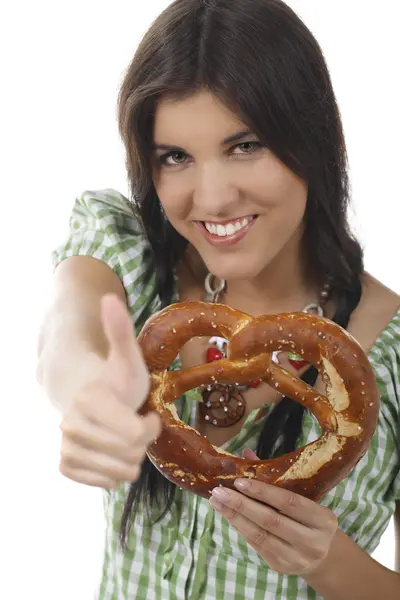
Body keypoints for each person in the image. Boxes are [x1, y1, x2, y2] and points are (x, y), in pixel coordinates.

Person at [37, 0, 400, 598]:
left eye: (245, 145)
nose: (212, 197)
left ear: (310, 137)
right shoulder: (130, 258)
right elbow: (67, 333)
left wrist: (325, 561)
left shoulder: (388, 354)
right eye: (174, 157)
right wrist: (87, 393)